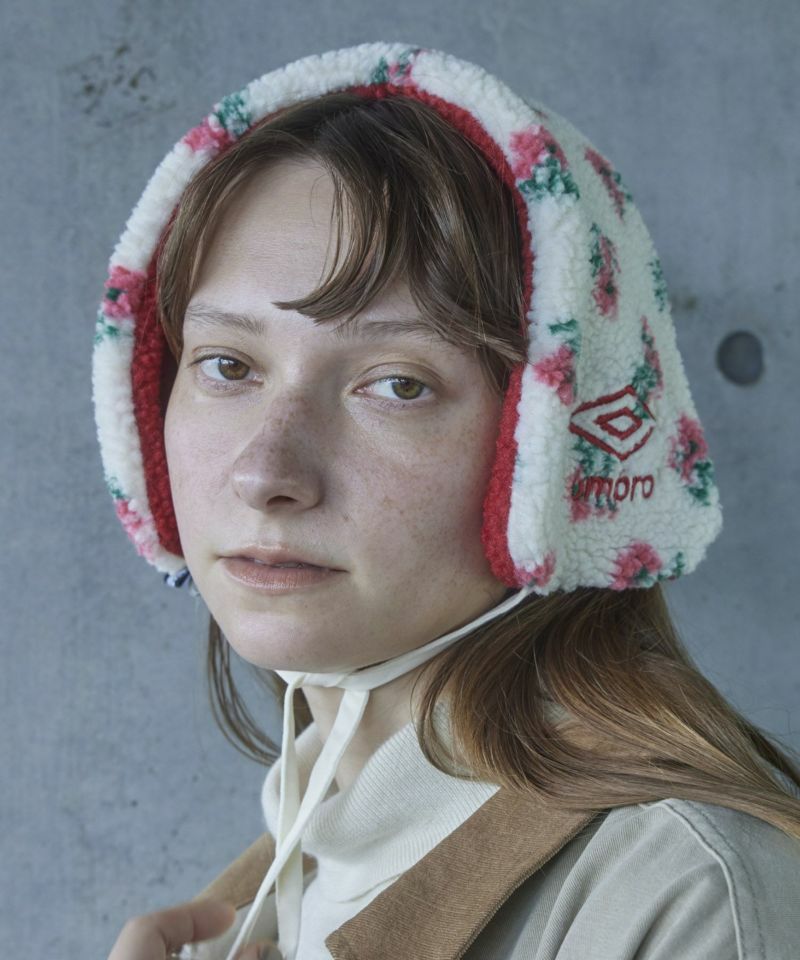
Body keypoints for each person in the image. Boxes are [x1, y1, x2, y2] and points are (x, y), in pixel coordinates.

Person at [94, 42, 800, 960]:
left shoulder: (686, 896)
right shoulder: (283, 882)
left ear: (552, 457)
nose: (265, 472)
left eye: (397, 384)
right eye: (228, 366)